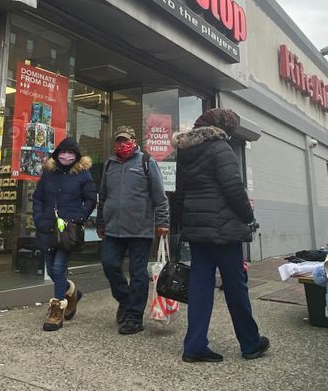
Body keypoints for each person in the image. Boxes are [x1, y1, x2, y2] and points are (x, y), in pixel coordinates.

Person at [173, 108, 269, 363]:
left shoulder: (185, 152)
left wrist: (181, 225)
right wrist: (248, 217)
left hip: (197, 231)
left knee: (200, 287)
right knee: (235, 285)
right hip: (224, 230)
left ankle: (193, 346)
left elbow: (179, 193)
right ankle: (250, 343)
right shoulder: (220, 148)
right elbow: (233, 188)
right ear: (222, 128)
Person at [97, 125, 169, 335]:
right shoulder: (109, 164)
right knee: (109, 265)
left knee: (138, 274)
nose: (122, 144)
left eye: (125, 140)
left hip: (140, 229)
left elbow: (160, 197)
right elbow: (103, 196)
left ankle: (134, 317)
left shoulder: (147, 162)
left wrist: (162, 223)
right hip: (113, 229)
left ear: (134, 141)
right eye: (118, 141)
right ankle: (126, 300)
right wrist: (101, 222)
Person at [32, 137, 97, 332]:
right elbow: (38, 197)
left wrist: (77, 218)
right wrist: (38, 217)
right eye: (62, 152)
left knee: (59, 266)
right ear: (57, 154)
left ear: (76, 156)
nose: (66, 156)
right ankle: (72, 292)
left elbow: (90, 199)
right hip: (47, 227)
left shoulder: (83, 175)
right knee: (52, 270)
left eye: (70, 153)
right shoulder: (49, 173)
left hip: (68, 230)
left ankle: (56, 310)